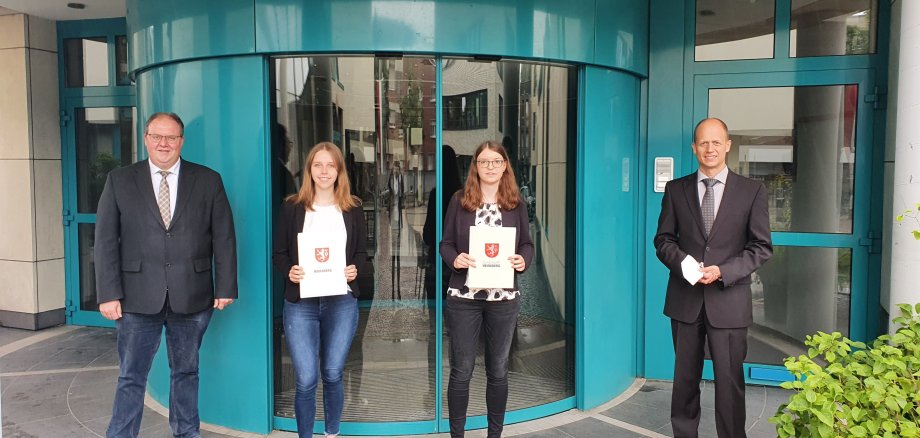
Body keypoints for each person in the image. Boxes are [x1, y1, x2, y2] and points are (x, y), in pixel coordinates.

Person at [94, 112, 238, 438]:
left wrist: (225, 285)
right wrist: (108, 293)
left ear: (181, 141)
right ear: (146, 139)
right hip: (135, 297)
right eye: (157, 136)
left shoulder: (208, 180)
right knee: (131, 375)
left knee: (186, 372)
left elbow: (224, 237)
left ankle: (186, 433)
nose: (164, 143)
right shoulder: (119, 180)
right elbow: (105, 241)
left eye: (171, 137)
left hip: (192, 294)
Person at [654, 118, 773, 438]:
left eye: (716, 142)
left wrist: (724, 271)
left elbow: (761, 247)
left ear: (728, 146)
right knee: (685, 381)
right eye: (703, 143)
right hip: (685, 301)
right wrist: (685, 263)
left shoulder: (752, 191)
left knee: (730, 383)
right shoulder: (676, 189)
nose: (710, 148)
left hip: (729, 301)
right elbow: (663, 240)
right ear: (694, 148)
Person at [273, 142, 369, 438]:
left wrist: (355, 269)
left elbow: (362, 253)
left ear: (339, 170)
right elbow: (279, 253)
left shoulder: (353, 208)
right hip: (301, 303)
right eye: (318, 165)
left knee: (332, 373)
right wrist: (289, 270)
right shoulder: (292, 207)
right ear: (309, 169)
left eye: (330, 165)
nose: (324, 171)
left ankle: (331, 433)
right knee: (305, 379)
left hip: (341, 301)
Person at [440, 140, 534, 438]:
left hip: (503, 299)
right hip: (464, 298)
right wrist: (455, 259)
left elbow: (527, 244)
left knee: (498, 370)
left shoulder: (516, 203)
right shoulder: (459, 200)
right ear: (476, 167)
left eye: (496, 161)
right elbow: (445, 243)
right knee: (461, 370)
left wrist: (523, 259)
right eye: (484, 162)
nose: (490, 167)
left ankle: (495, 434)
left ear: (505, 166)